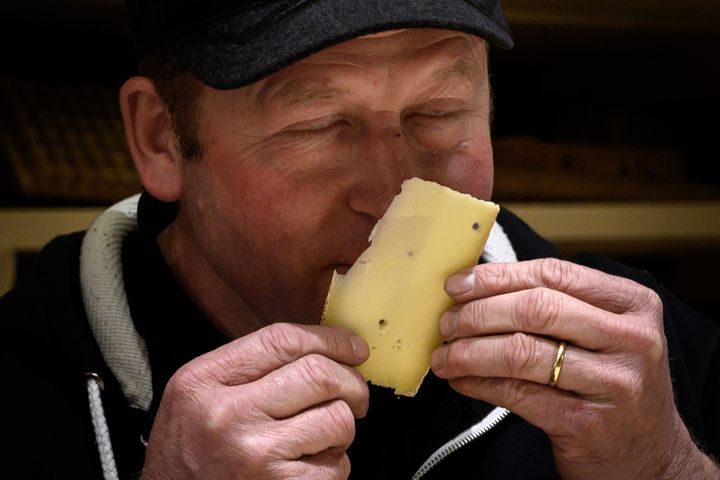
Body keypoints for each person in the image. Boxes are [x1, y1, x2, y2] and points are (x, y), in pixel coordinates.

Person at [1, 1, 718, 478]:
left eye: (439, 111)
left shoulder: (642, 362)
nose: (390, 194)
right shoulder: (28, 383)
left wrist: (667, 468)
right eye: (318, 127)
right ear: (161, 139)